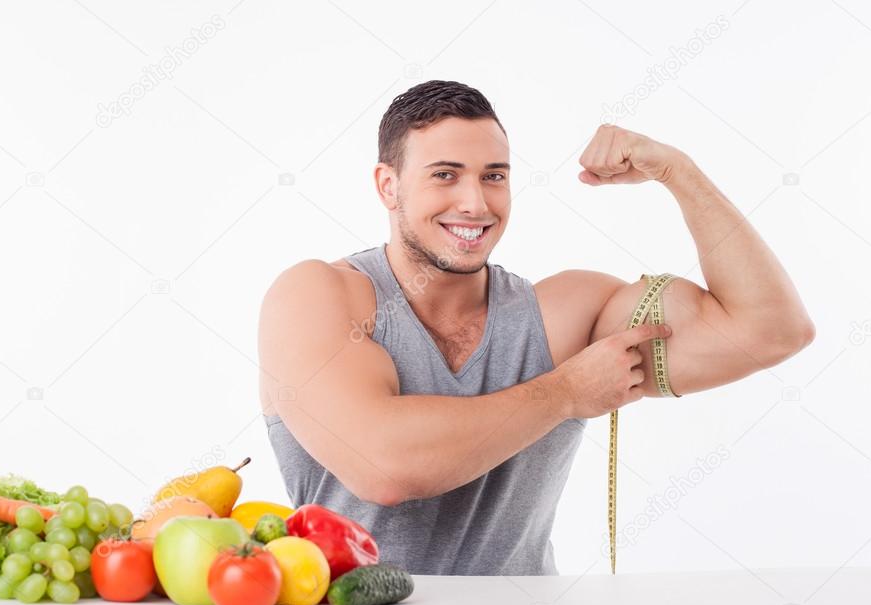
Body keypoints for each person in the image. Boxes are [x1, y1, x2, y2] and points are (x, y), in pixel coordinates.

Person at [257, 80, 815, 575]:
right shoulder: (316, 296)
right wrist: (568, 391)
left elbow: (771, 330)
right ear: (388, 186)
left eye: (493, 176)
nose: (475, 202)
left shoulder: (568, 312)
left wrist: (679, 173)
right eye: (445, 175)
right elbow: (388, 467)